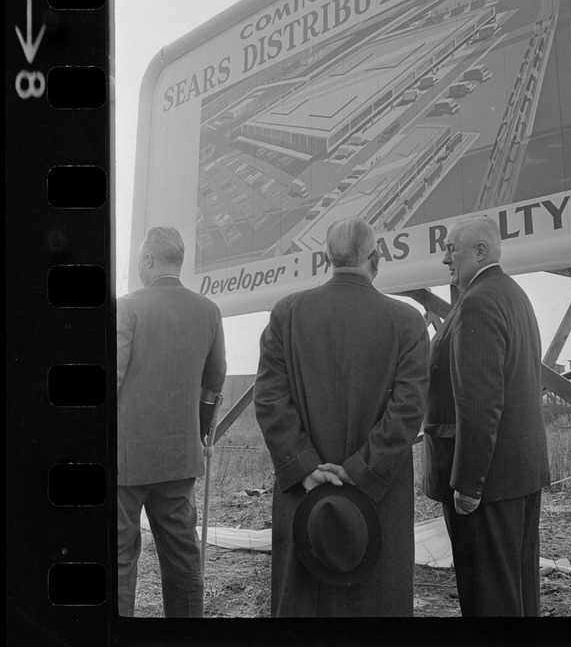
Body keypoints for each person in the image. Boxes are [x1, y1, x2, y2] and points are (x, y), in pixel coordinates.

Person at [254, 217, 430, 617]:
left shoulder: (287, 313)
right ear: (376, 258)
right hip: (377, 500)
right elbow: (408, 410)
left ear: (325, 258)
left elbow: (268, 398)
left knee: (302, 601)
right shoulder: (407, 321)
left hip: (304, 496)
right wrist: (360, 471)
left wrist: (306, 468)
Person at [422, 215, 550, 617]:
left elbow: (480, 403)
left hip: (488, 484)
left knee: (489, 600)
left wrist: (469, 484)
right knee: (517, 589)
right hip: (518, 474)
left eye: (451, 248)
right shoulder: (512, 294)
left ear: (480, 252)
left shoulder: (477, 303)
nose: (445, 258)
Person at [117, 225, 227, 617]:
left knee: (118, 564)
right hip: (179, 461)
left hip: (124, 464)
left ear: (147, 260)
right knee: (183, 561)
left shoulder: (126, 307)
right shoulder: (208, 311)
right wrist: (197, 434)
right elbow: (213, 385)